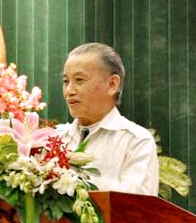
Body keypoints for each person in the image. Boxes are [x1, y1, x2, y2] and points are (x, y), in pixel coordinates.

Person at [58, 43, 159, 196]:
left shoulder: (136, 141)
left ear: (112, 84)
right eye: (66, 81)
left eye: (79, 80)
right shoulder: (54, 138)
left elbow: (137, 205)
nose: (69, 91)